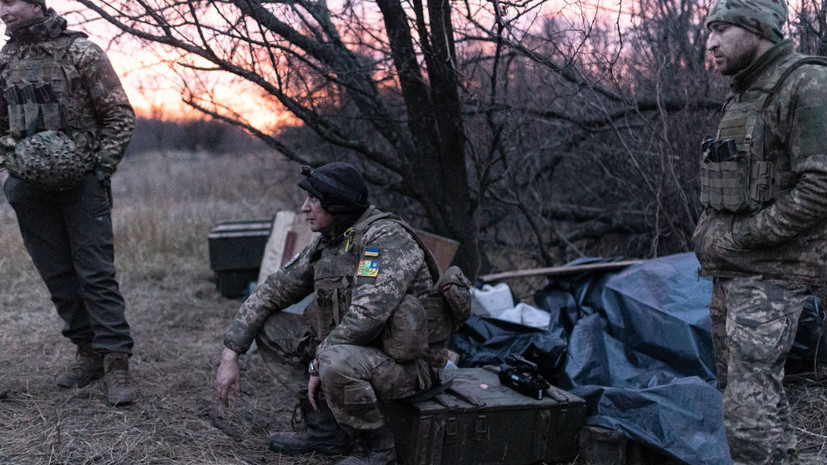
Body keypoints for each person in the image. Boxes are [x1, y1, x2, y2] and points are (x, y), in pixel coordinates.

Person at [216, 162, 463, 465]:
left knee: (334, 359)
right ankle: (325, 430)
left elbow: (367, 315)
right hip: (358, 355)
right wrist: (231, 353)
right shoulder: (331, 241)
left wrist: (317, 363)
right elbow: (273, 290)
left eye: (313, 200)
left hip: (412, 366)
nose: (304, 208)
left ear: (337, 204)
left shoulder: (386, 238)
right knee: (271, 327)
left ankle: (377, 449)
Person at [692, 0, 827, 463]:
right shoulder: (746, 92)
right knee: (744, 401)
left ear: (758, 28)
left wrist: (740, 237)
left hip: (772, 275)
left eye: (721, 29)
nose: (710, 43)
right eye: (709, 31)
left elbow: (821, 188)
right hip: (733, 272)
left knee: (750, 417)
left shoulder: (807, 84)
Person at [0, 0, 136, 405]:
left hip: (83, 184)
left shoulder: (82, 52)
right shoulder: (6, 61)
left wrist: (100, 170)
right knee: (57, 275)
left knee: (95, 274)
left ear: (36, 3)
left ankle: (115, 361)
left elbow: (119, 115)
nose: (3, 11)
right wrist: (13, 163)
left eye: (11, 2)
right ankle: (87, 352)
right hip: (29, 188)